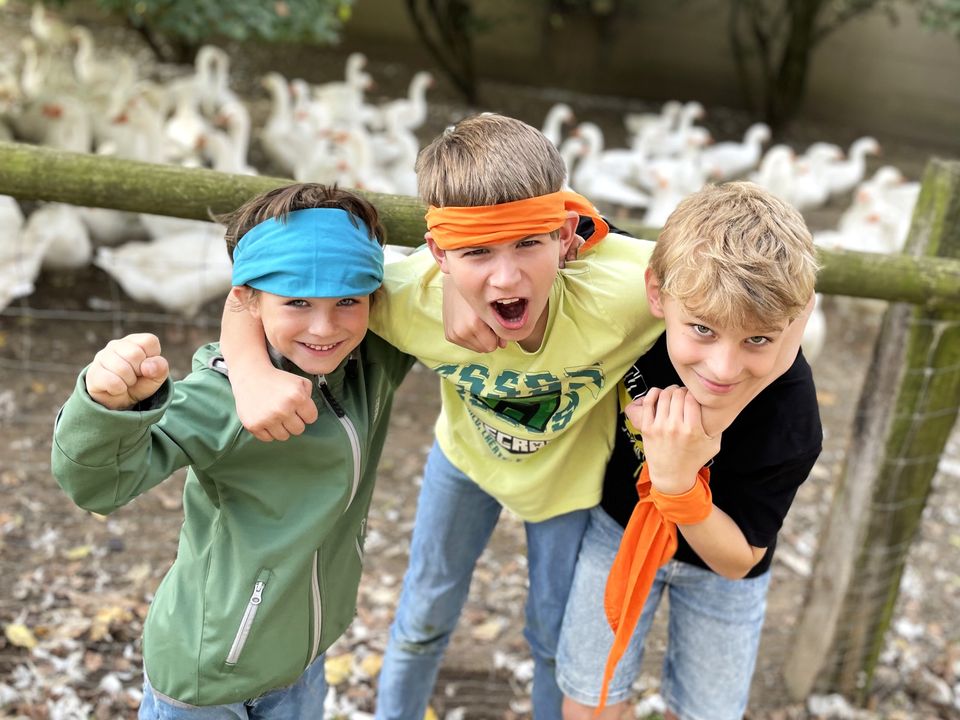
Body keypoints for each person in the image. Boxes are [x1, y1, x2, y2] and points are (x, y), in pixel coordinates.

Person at [217, 113, 664, 718]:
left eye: (528, 243)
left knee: (552, 637)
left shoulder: (633, 288)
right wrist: (249, 373)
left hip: (568, 481)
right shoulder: (406, 297)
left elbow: (756, 288)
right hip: (463, 463)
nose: (506, 277)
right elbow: (258, 281)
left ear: (564, 236)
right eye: (476, 251)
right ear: (438, 252)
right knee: (423, 616)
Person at [50, 183, 415, 719]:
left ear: (371, 298)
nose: (324, 326)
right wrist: (105, 408)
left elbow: (444, 273)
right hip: (209, 676)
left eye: (346, 301)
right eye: (296, 302)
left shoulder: (370, 362)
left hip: (303, 656)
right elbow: (98, 486)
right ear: (247, 298)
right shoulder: (219, 398)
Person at [555, 182, 823, 720]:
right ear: (657, 294)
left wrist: (677, 485)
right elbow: (550, 219)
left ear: (796, 321)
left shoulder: (790, 419)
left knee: (708, 711)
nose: (723, 369)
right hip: (621, 526)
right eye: (702, 329)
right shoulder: (638, 300)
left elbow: (737, 560)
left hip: (719, 561)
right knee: (589, 699)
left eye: (758, 340)